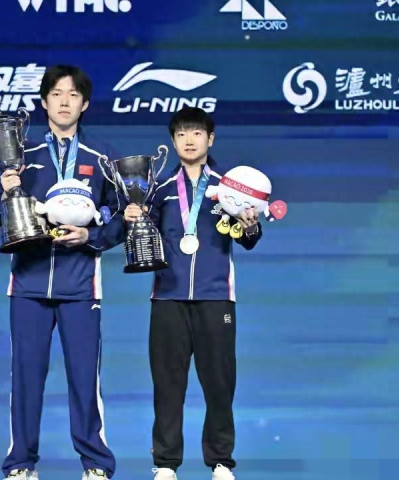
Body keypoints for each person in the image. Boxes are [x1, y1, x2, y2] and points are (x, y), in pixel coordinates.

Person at [0, 65, 124, 480]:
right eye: (56, 94)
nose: (64, 102)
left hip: (80, 285)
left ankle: (96, 465)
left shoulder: (102, 157)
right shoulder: (21, 154)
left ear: (84, 104)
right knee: (26, 377)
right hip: (28, 283)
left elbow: (123, 217)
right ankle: (20, 464)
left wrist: (90, 236)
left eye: (73, 95)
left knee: (85, 379)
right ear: (44, 102)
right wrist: (6, 194)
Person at [124, 107, 262, 480]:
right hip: (167, 297)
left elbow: (249, 239)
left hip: (216, 297)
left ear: (210, 139)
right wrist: (135, 219)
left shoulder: (229, 187)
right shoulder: (159, 189)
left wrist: (250, 226)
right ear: (173, 141)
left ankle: (220, 460)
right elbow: (142, 235)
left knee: (219, 382)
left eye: (197, 133)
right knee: (168, 383)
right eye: (182, 133)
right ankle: (166, 463)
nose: (189, 139)